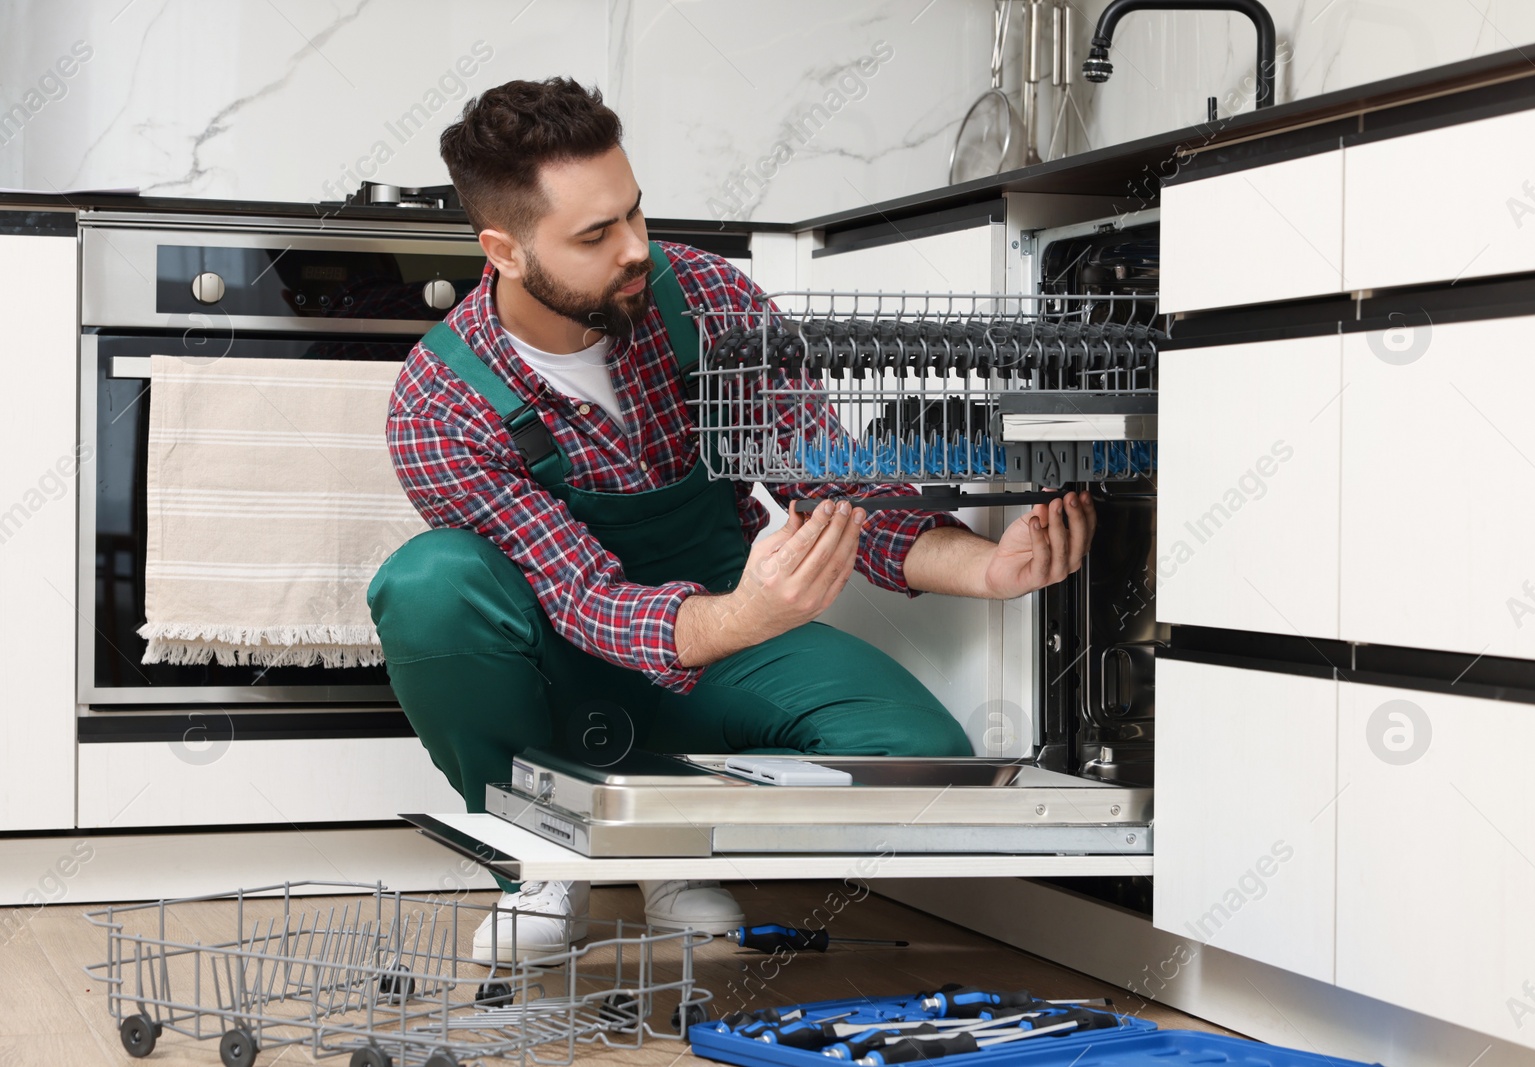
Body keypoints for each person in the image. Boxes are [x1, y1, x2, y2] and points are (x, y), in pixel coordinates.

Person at [367, 77, 1096, 964]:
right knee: (428, 586)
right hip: (557, 655)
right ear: (505, 250)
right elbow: (583, 595)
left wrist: (984, 568)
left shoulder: (706, 299)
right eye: (596, 236)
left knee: (918, 753)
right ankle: (545, 857)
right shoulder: (440, 399)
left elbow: (828, 484)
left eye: (635, 213)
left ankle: (661, 838)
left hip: (719, 611)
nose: (637, 248)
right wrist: (747, 615)